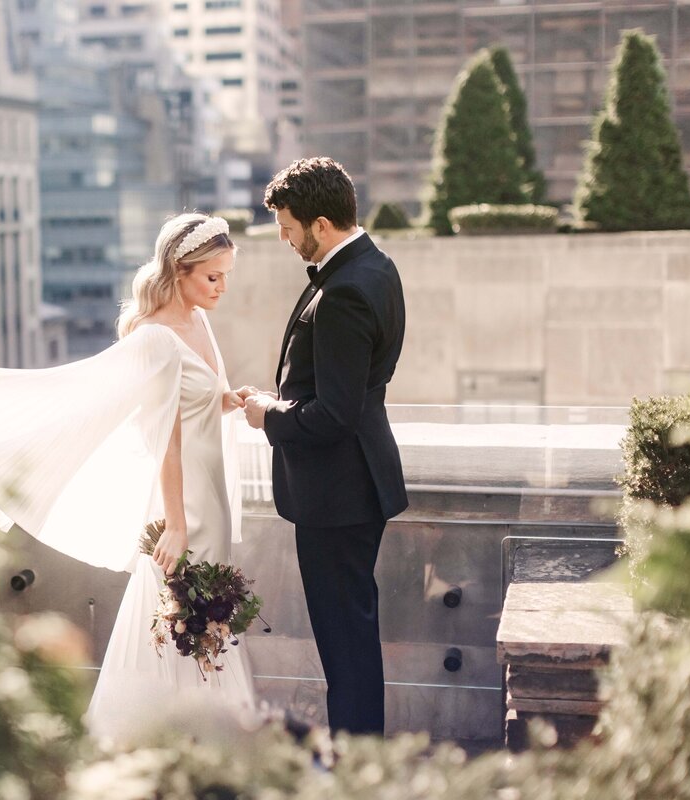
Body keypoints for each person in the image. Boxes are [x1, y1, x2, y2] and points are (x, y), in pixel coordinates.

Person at [0, 212, 256, 741]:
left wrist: (231, 399)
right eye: (212, 277)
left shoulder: (199, 321)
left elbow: (201, 403)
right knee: (171, 627)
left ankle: (206, 740)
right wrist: (175, 525)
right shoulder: (155, 340)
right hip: (181, 508)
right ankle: (158, 742)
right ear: (180, 271)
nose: (222, 288)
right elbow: (166, 441)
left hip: (213, 500)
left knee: (208, 631)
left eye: (226, 276)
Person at [239, 157, 407, 736]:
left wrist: (267, 416)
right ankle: (362, 759)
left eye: (288, 228)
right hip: (354, 486)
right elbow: (339, 390)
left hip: (339, 494)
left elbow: (335, 414)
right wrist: (281, 398)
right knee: (351, 638)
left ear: (321, 222)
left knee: (345, 646)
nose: (285, 240)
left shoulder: (345, 291)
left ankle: (355, 765)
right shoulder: (376, 267)